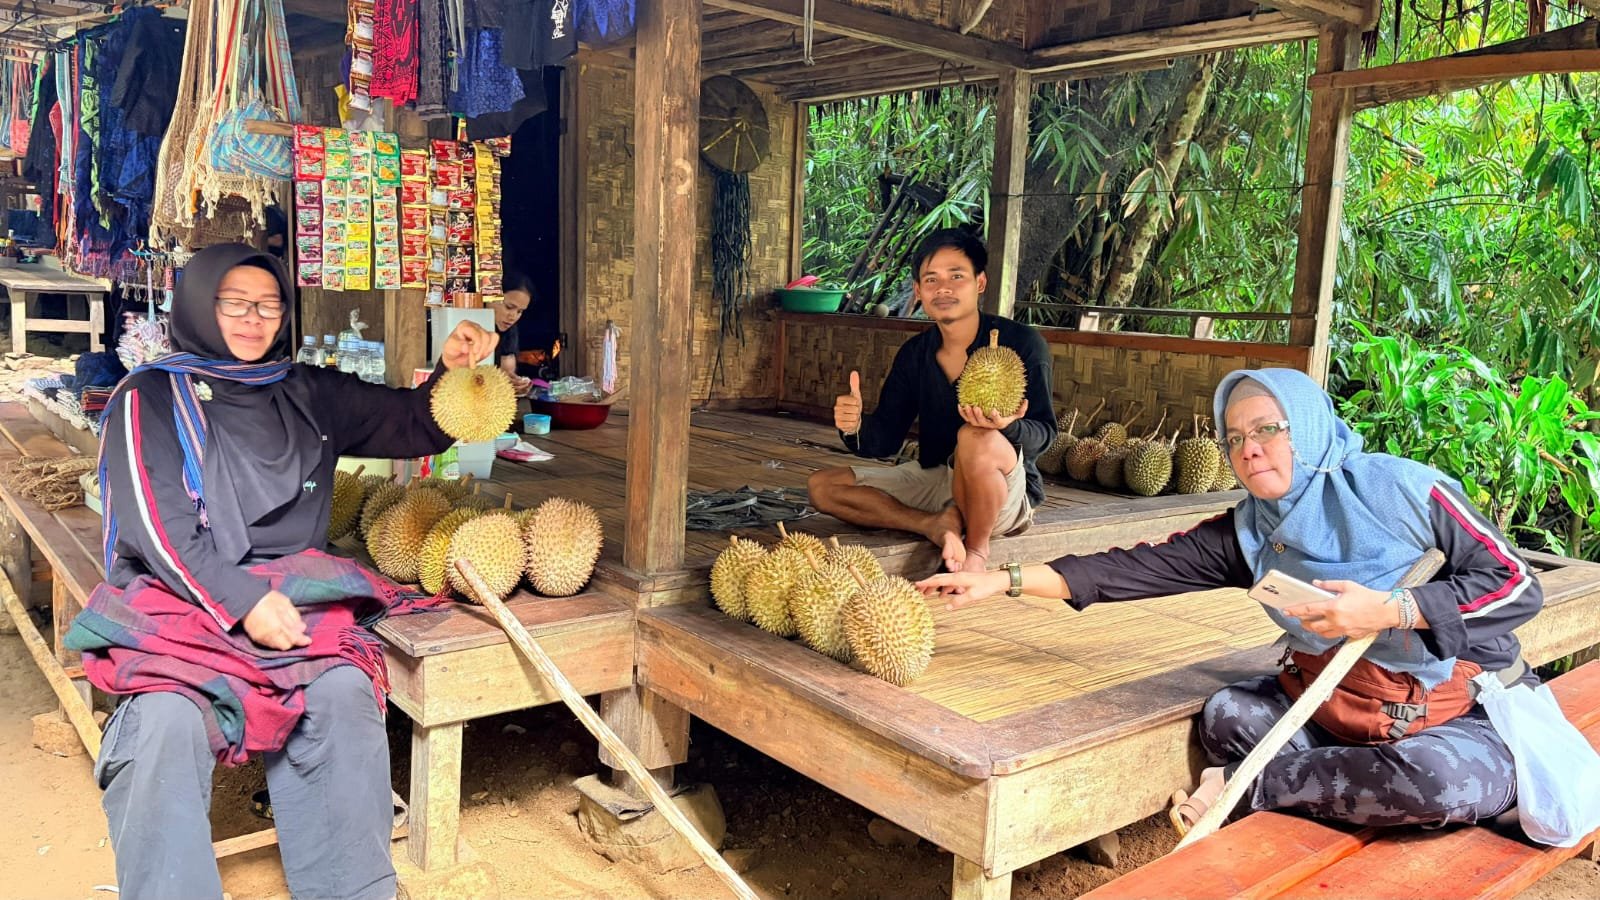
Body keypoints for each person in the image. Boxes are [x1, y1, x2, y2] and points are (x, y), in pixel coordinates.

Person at [917, 367, 1542, 834]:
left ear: (1308, 425)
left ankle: (1249, 787)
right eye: (1235, 437)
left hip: (1451, 711)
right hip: (1328, 708)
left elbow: (1517, 583)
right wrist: (1003, 580)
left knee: (1441, 782)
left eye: (1269, 429)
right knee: (1225, 715)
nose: (1250, 448)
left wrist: (1392, 609)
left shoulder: (1403, 491)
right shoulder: (1251, 530)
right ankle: (1310, 783)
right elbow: (1134, 568)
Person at [68, 244, 498, 899]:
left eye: (268, 305)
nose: (252, 319)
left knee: (340, 697)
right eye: (234, 303)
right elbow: (157, 527)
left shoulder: (306, 391)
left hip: (293, 601)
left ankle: (351, 889)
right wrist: (243, 602)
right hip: (183, 599)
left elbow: (412, 423)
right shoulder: (148, 396)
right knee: (161, 725)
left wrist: (454, 370)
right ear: (198, 304)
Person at [808, 229, 1056, 574]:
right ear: (918, 290)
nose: (944, 288)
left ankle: (977, 552)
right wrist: (854, 426)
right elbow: (886, 439)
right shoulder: (915, 354)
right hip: (937, 477)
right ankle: (935, 524)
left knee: (973, 436)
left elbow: (1045, 433)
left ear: (979, 282)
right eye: (931, 279)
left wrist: (1008, 426)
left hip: (1003, 493)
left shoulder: (1023, 343)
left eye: (957, 276)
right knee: (822, 486)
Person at [494, 270, 535, 396]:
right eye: (509, 307)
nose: (513, 317)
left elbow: (507, 373)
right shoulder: (466, 324)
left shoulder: (510, 331)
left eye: (520, 311)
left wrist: (517, 385)